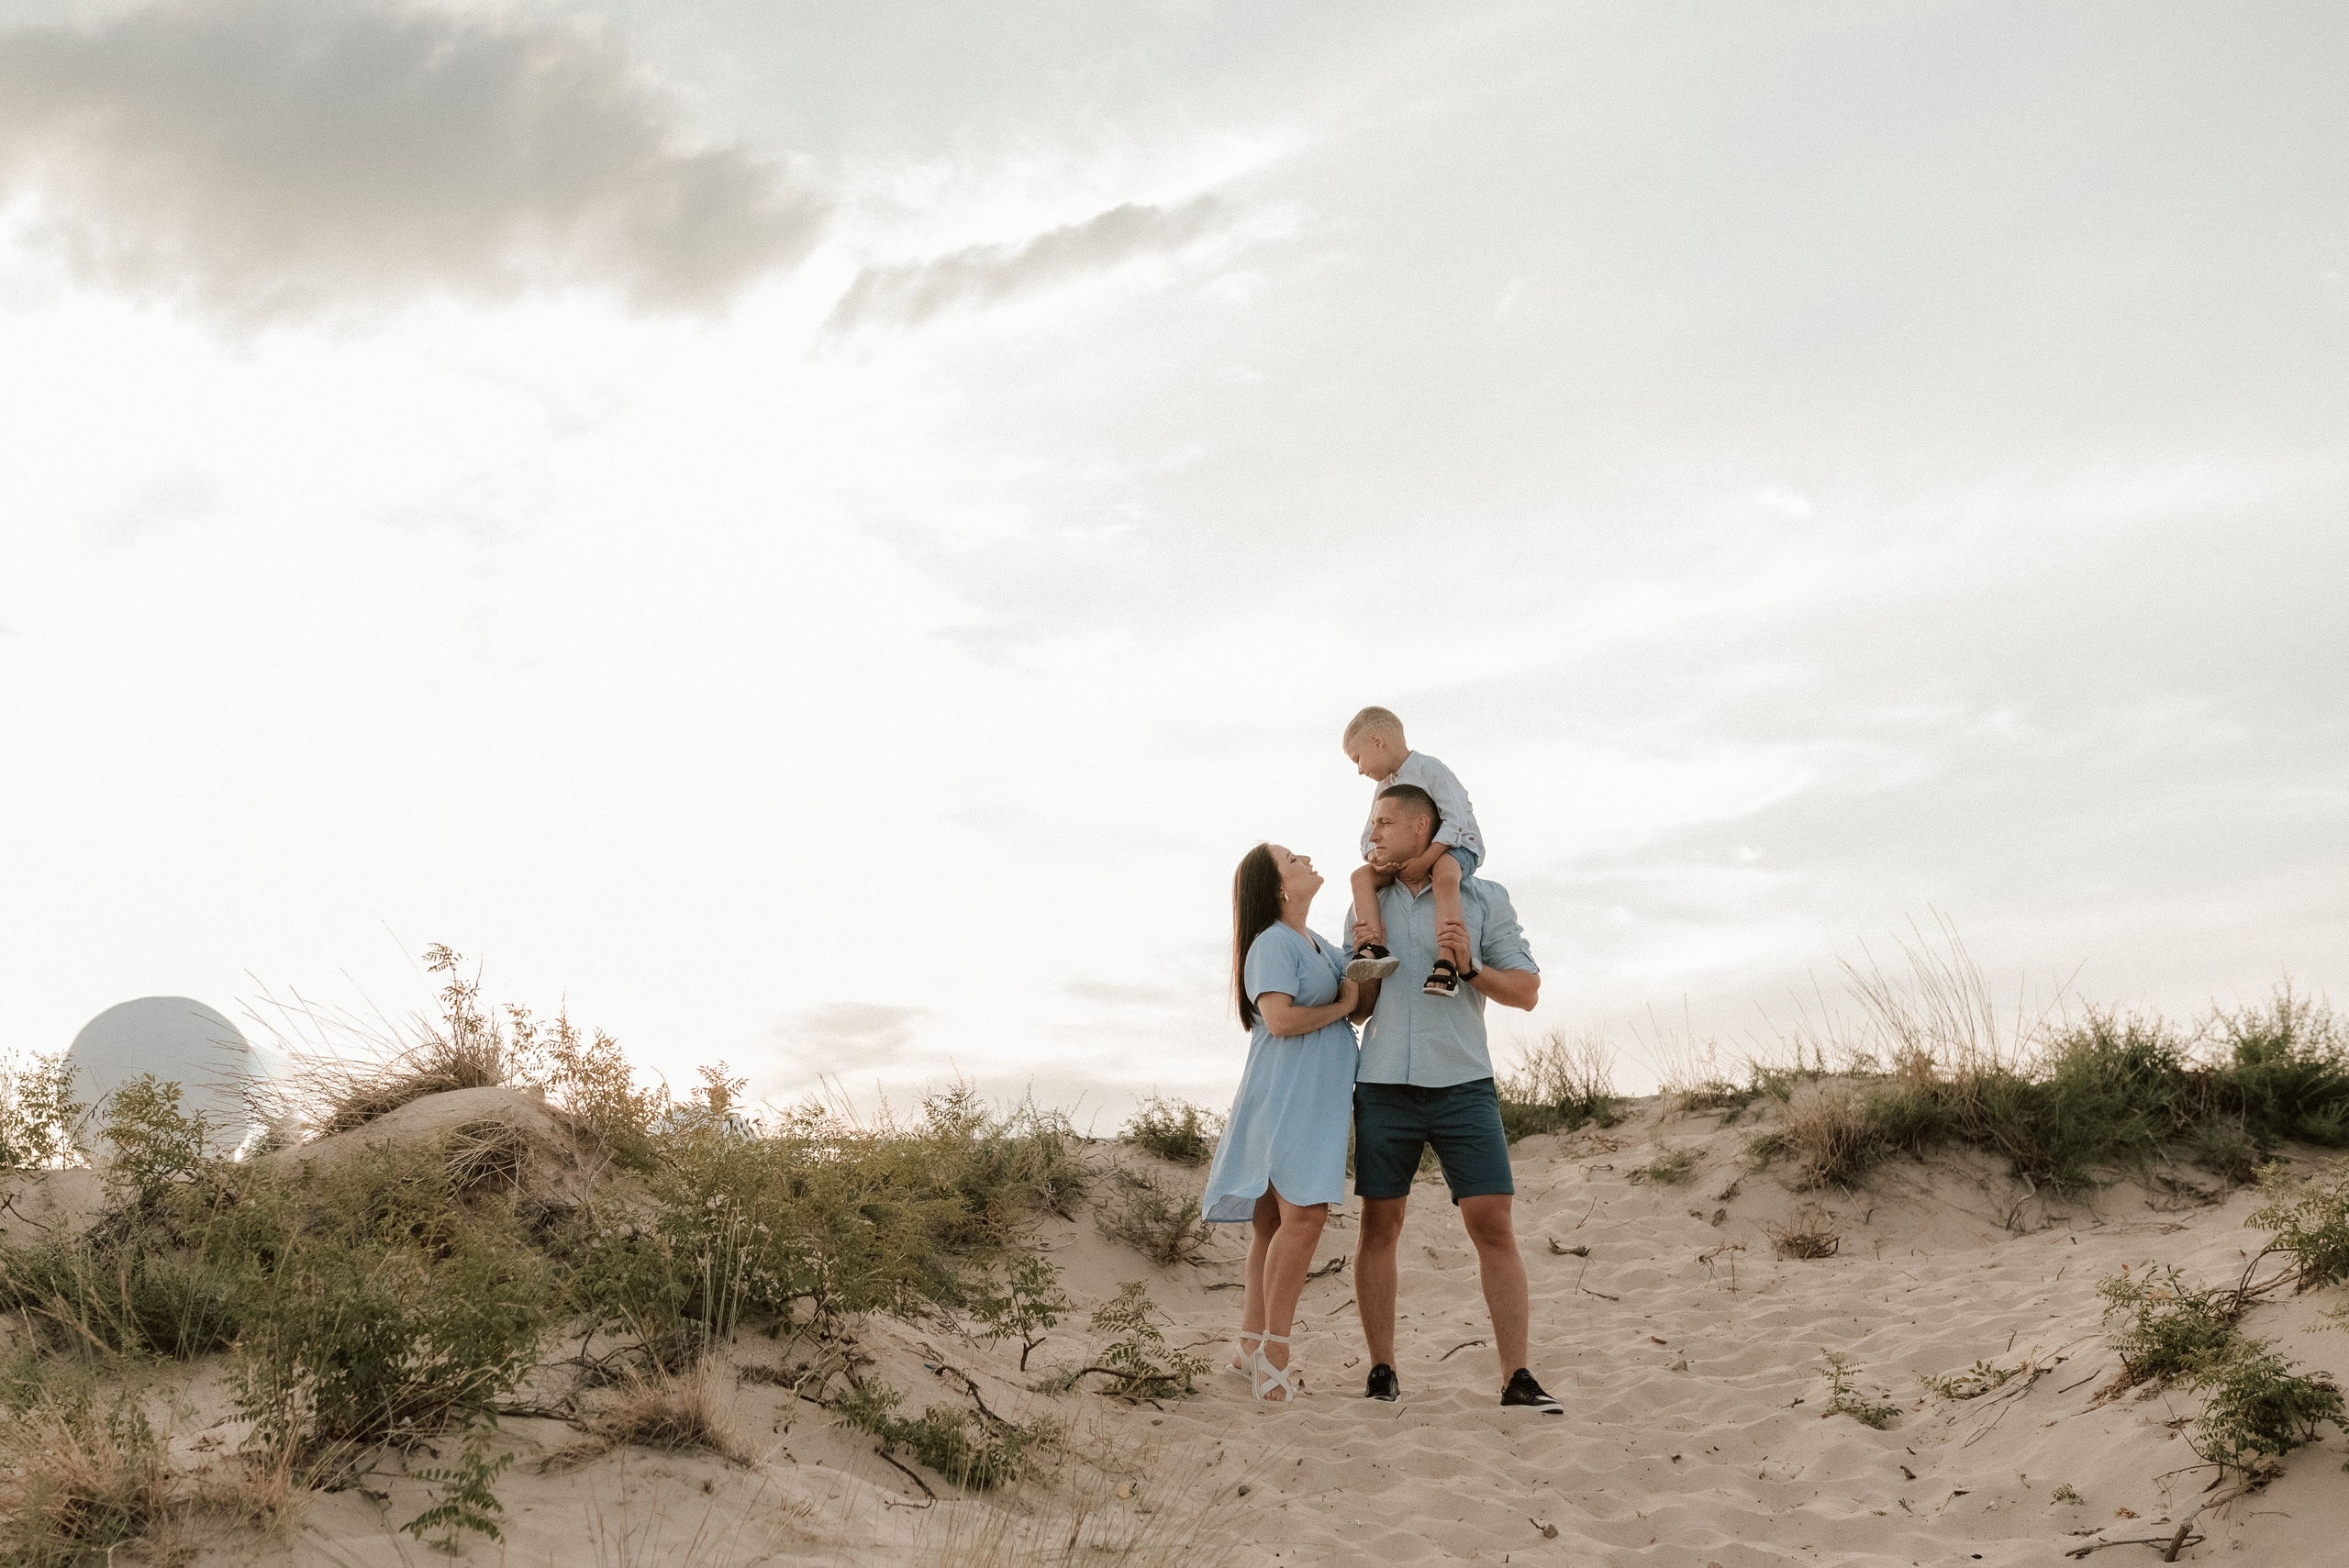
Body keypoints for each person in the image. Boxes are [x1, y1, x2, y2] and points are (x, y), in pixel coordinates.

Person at [1342, 784, 1564, 1413]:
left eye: (1385, 820)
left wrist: (1470, 969)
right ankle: (1381, 1368)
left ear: (1423, 826)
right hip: (1383, 1082)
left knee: (1493, 1222)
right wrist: (1356, 971)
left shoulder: (1483, 898)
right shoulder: (1366, 901)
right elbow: (1357, 1011)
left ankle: (1517, 1375)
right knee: (1379, 1224)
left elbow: (1525, 990)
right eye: (1370, 822)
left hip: (1464, 1083)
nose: (1373, 832)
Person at [1199, 842, 1364, 1404]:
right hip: (1287, 1095)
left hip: (1315, 1097)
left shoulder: (1317, 944)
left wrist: (1365, 960)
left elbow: (1359, 1001)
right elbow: (1280, 1018)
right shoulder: (1271, 942)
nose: (1307, 858)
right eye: (1293, 858)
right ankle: (1275, 1354)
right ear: (1276, 888)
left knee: (1272, 1223)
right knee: (1304, 1218)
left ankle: (1249, 1345)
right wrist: (1343, 1007)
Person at [1341, 706, 1485, 997]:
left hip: (1456, 849)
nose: (1359, 769)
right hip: (1408, 860)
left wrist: (1426, 860)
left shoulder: (1429, 769)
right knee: (1361, 878)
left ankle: (1446, 960)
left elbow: (1454, 820)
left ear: (1377, 741)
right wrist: (1376, 859)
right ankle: (1373, 947)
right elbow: (1368, 837)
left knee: (1444, 873)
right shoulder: (1385, 786)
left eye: (1358, 758)